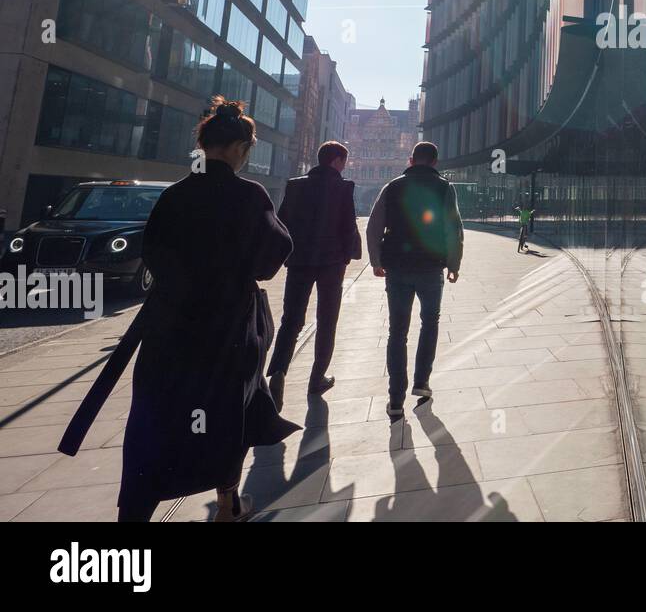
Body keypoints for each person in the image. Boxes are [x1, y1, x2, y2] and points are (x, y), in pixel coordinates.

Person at [59, 97, 298, 522]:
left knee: (155, 421)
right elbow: (269, 261)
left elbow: (152, 253)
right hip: (227, 330)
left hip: (170, 329)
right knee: (229, 416)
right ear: (241, 148)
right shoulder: (249, 195)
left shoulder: (174, 196)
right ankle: (227, 505)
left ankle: (135, 513)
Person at [367, 142, 464, 420]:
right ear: (435, 162)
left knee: (397, 331)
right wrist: (454, 265)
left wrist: (376, 261)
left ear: (411, 160)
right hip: (431, 267)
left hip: (397, 266)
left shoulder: (392, 186)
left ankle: (395, 397)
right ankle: (422, 383)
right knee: (429, 322)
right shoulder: (445, 187)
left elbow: (374, 226)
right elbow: (452, 228)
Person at [266, 140, 362, 410]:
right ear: (336, 161)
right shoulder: (343, 188)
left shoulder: (295, 185)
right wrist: (346, 256)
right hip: (331, 263)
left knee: (291, 320)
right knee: (327, 319)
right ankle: (317, 377)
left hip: (299, 261)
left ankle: (279, 372)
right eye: (344, 161)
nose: (345, 166)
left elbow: (282, 222)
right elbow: (348, 226)